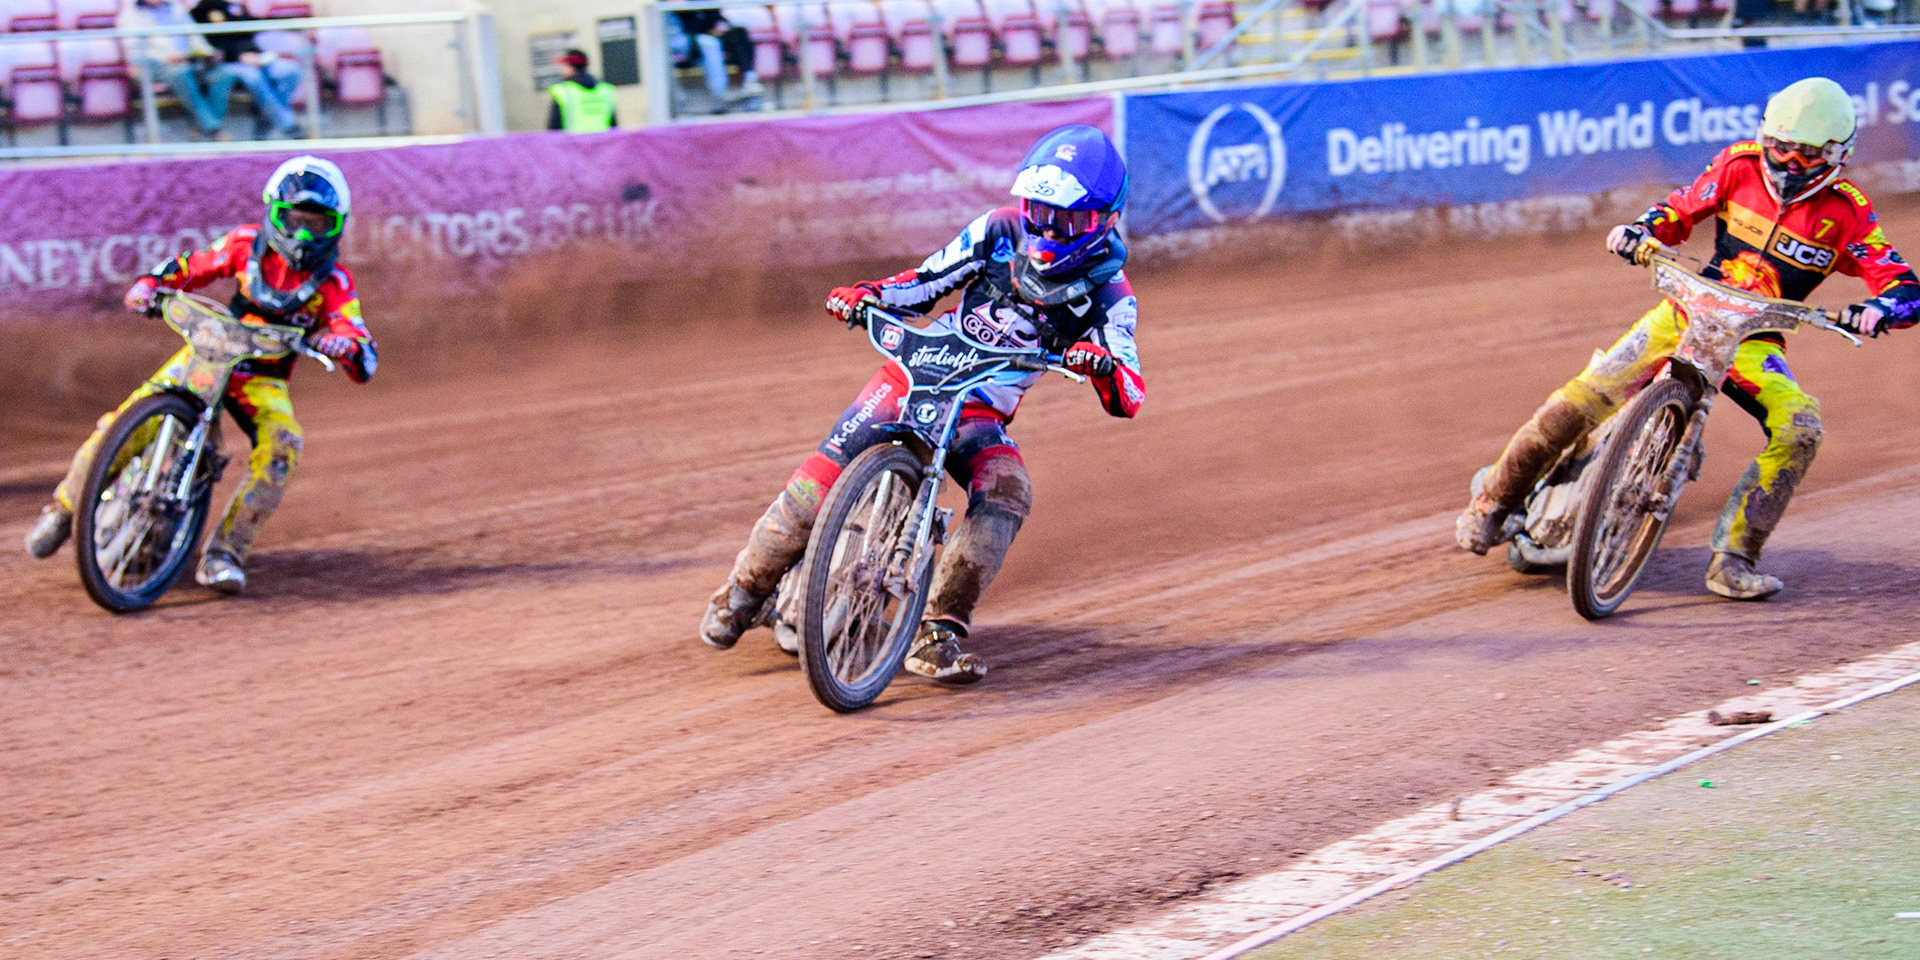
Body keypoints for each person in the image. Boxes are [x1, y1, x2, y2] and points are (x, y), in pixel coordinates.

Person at [698, 124, 1143, 682]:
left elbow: (1130, 390)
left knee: (1009, 490)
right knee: (814, 485)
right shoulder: (997, 232)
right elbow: (925, 281)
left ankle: (939, 630)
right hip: (910, 378)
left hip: (978, 411)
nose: (1048, 227)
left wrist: (1101, 366)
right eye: (1039, 210)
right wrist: (869, 295)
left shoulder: (1111, 295)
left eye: (1066, 219)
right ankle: (742, 590)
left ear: (1103, 220)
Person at [1455, 78, 1920, 600]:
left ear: (1838, 155)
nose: (1789, 162)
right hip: (1681, 314)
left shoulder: (1849, 212)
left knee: (1801, 427)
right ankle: (1492, 504)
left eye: (1807, 154)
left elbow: (1902, 283)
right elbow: (1679, 208)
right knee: (1578, 401)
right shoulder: (1738, 165)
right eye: (1780, 147)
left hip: (1754, 342)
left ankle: (1735, 558)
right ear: (1764, 137)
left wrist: (1882, 308)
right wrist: (1644, 229)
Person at [25, 157, 377, 595]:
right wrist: (151, 285)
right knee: (122, 422)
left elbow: (357, 339)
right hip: (208, 355)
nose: (303, 235)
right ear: (272, 213)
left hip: (261, 378)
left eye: (317, 224)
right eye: (294, 220)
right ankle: (63, 510)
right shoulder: (245, 245)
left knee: (283, 447)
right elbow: (193, 266)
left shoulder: (335, 283)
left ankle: (225, 553)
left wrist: (345, 345)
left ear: (338, 226)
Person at [190, 0, 304, 139]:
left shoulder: (235, 6)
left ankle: (266, 117)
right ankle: (288, 125)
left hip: (256, 57)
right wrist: (238, 56)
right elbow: (213, 44)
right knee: (254, 77)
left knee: (290, 71)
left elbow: (254, 25)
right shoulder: (202, 10)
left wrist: (291, 23)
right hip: (228, 62)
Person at [120, 0, 225, 140]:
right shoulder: (130, 13)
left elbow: (194, 36)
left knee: (224, 74)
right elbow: (133, 48)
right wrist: (165, 57)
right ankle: (212, 127)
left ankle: (204, 125)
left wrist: (208, 52)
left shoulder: (176, 7)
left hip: (187, 59)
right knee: (180, 73)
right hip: (153, 64)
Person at [672, 7, 761, 113]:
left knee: (739, 33)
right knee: (709, 43)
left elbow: (716, 17)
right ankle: (720, 95)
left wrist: (720, 26)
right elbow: (687, 23)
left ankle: (750, 79)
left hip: (711, 33)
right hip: (688, 37)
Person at [547, 49, 618, 133]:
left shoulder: (562, 92)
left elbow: (554, 129)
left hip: (573, 145)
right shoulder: (606, 90)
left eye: (564, 66)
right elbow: (614, 127)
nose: (562, 71)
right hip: (603, 144)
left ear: (570, 67)